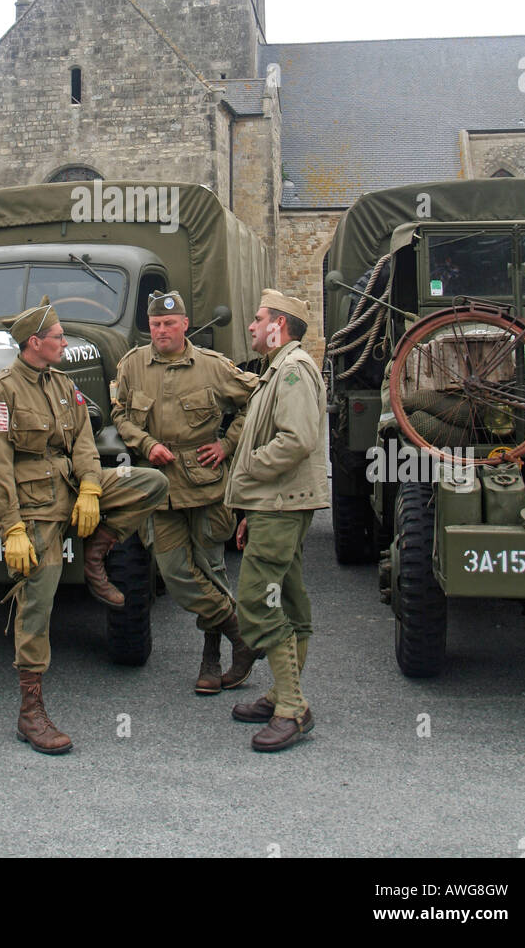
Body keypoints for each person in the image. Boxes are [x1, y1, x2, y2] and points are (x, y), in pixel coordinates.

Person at [0, 297, 168, 755]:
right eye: (58, 337)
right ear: (34, 343)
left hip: (68, 487)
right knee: (38, 599)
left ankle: (96, 553)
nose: (64, 342)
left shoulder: (62, 384)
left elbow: (83, 438)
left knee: (150, 484)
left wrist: (92, 488)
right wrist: (12, 528)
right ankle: (30, 709)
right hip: (30, 502)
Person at [111, 290, 260, 694]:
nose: (161, 331)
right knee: (175, 572)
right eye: (156, 324)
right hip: (159, 486)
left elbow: (257, 399)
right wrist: (145, 444)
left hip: (206, 485)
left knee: (211, 569)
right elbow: (121, 413)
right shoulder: (133, 366)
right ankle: (242, 634)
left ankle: (212, 657)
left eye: (169, 324)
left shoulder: (212, 367)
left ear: (184, 326)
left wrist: (227, 444)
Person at [225, 289, 329, 752]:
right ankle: (281, 695)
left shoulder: (291, 371)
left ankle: (292, 708)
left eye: (259, 317)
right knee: (288, 596)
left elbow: (297, 439)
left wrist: (248, 470)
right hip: (274, 504)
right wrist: (250, 508)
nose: (251, 326)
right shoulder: (279, 370)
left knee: (256, 602)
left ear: (279, 325)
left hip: (282, 503)